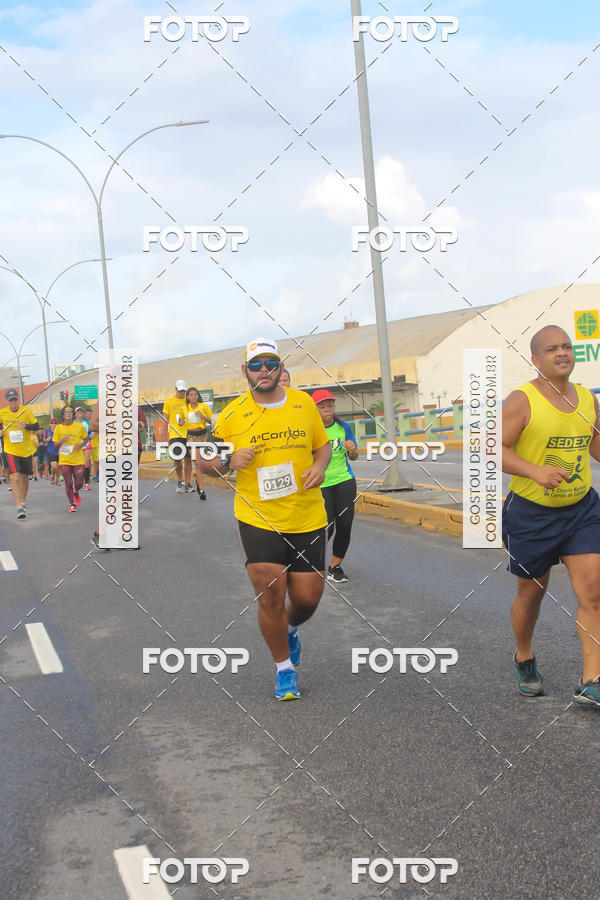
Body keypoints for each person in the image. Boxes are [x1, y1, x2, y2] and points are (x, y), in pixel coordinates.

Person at [198, 337, 331, 701]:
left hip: (306, 516)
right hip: (258, 517)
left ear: (280, 368)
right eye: (256, 365)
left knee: (307, 597)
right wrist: (226, 462)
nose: (264, 371)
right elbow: (203, 462)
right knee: (271, 594)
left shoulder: (303, 404)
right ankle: (284, 670)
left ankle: (289, 630)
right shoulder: (231, 415)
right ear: (245, 371)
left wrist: (320, 466)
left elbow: (323, 445)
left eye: (271, 364)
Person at [502, 324, 600, 709]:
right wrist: (535, 470)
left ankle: (592, 679)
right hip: (532, 514)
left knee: (593, 592)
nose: (562, 352)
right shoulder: (521, 401)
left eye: (566, 346)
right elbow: (494, 451)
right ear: (536, 359)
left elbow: (595, 446)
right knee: (531, 594)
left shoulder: (588, 399)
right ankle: (523, 656)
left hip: (581, 509)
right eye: (552, 348)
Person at [312, 389, 359, 583]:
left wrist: (352, 449)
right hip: (321, 484)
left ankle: (335, 567)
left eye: (329, 405)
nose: (326, 409)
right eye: (322, 406)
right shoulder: (311, 430)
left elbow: (354, 456)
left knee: (345, 525)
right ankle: (313, 564)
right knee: (326, 527)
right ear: (315, 410)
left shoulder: (343, 427)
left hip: (344, 481)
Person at [0, 387, 40, 518]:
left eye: (15, 399)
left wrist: (26, 426)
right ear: (8, 401)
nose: (13, 402)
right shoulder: (3, 413)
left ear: (18, 399)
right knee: (16, 476)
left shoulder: (26, 411)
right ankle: (19, 507)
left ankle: (22, 501)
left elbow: (36, 426)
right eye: (11, 400)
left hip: (26, 449)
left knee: (24, 478)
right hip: (11, 449)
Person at [53, 406, 87, 512]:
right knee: (68, 482)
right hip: (65, 460)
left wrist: (80, 446)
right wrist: (61, 440)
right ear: (63, 415)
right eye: (66, 412)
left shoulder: (79, 426)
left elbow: (86, 439)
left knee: (79, 482)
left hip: (78, 459)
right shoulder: (58, 428)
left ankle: (76, 491)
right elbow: (55, 445)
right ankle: (72, 504)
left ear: (73, 415)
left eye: (70, 412)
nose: (68, 414)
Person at [162, 380, 191, 493]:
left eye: (183, 390)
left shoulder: (189, 402)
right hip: (175, 435)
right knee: (177, 459)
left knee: (188, 459)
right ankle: (180, 480)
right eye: (180, 390)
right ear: (175, 389)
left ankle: (188, 483)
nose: (182, 392)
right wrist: (164, 439)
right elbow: (165, 420)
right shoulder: (169, 402)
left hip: (189, 434)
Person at [186, 386, 212, 499]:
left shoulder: (204, 406)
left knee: (203, 464)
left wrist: (202, 416)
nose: (193, 396)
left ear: (198, 396)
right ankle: (202, 490)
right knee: (197, 462)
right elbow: (180, 421)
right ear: (187, 397)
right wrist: (180, 422)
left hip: (203, 435)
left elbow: (212, 420)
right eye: (191, 394)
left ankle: (198, 482)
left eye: (195, 394)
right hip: (191, 436)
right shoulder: (184, 408)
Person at [75, 407, 92, 490]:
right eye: (78, 412)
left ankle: (87, 483)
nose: (80, 413)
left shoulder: (87, 422)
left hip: (87, 444)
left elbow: (92, 432)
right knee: (78, 465)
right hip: (77, 446)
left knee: (86, 463)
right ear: (75, 414)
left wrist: (91, 435)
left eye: (81, 412)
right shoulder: (72, 423)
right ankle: (78, 481)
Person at [44, 418, 61, 484]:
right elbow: (44, 442)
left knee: (58, 466)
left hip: (59, 450)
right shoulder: (47, 432)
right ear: (49, 424)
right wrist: (46, 440)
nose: (54, 424)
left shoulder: (59, 431)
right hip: (50, 450)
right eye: (52, 423)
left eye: (55, 423)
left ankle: (57, 479)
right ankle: (53, 476)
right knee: (54, 466)